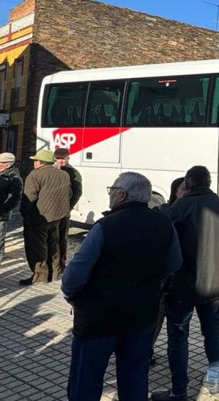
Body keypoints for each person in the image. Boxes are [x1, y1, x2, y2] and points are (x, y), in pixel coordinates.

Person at [61, 172, 180, 401]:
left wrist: (71, 295)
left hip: (99, 319)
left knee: (86, 380)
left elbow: (73, 276)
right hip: (142, 315)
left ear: (122, 195)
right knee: (135, 378)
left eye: (112, 190)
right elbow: (174, 264)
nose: (110, 194)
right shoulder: (165, 225)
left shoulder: (105, 226)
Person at [152, 166, 219, 400]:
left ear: (188, 183)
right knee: (212, 329)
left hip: (183, 285)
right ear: (208, 182)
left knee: (178, 336)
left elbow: (168, 245)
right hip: (214, 284)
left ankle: (180, 390)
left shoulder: (179, 207)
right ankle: (216, 379)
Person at [20, 148, 71, 285]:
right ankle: (54, 273)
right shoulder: (63, 174)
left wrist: (24, 213)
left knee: (37, 247)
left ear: (39, 162)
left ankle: (40, 276)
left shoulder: (35, 175)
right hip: (57, 216)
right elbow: (70, 194)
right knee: (53, 244)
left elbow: (29, 197)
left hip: (39, 216)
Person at [53, 147, 82, 274]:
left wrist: (68, 207)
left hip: (63, 211)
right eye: (58, 159)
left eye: (63, 159)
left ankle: (61, 264)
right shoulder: (50, 171)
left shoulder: (73, 173)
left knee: (61, 238)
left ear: (67, 159)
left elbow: (77, 192)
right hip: (50, 211)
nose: (60, 162)